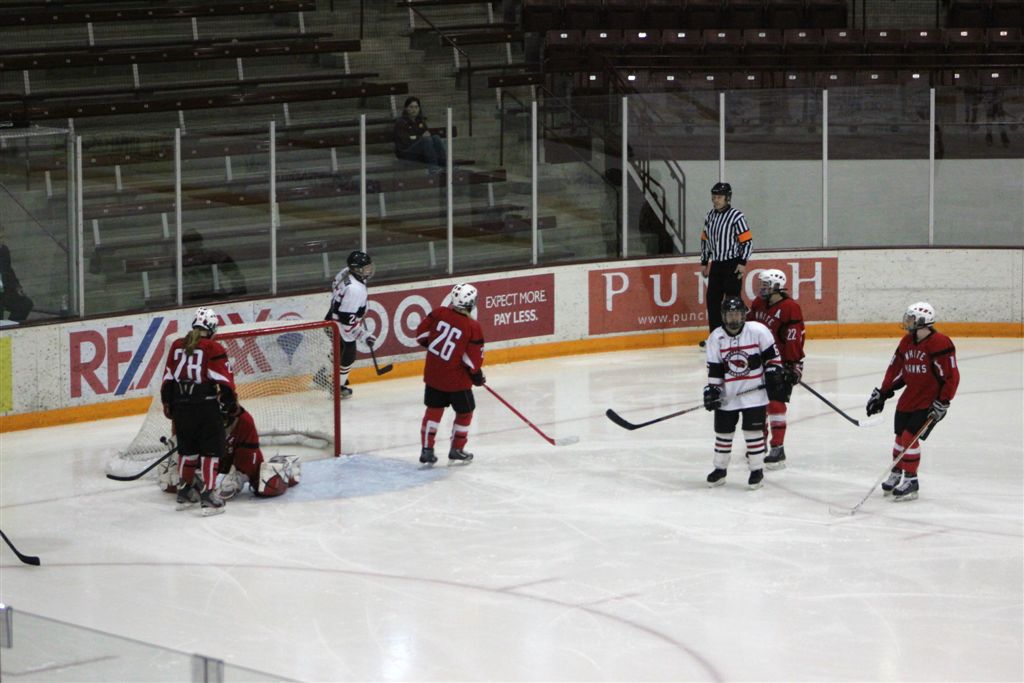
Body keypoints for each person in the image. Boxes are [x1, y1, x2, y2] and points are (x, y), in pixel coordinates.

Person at [865, 302, 960, 502]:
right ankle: (897, 471)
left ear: (922, 321)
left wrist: (944, 401)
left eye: (911, 318)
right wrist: (883, 392)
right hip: (909, 398)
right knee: (900, 436)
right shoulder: (906, 341)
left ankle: (911, 480)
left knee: (910, 436)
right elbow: (895, 369)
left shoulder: (940, 343)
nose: (907, 322)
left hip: (928, 400)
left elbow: (951, 376)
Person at [703, 296, 788, 490]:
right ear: (723, 316)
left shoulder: (758, 331)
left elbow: (773, 359)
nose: (734, 318)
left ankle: (756, 471)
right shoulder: (716, 337)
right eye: (730, 314)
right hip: (728, 396)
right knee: (723, 434)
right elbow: (715, 370)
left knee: (753, 433)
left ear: (743, 315)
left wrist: (772, 371)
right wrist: (713, 391)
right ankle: (720, 470)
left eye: (737, 314)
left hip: (754, 395)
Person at [160, 306, 237, 516]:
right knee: (211, 450)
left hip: (181, 406)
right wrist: (230, 406)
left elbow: (168, 379)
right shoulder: (213, 347)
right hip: (205, 407)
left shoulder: (177, 345)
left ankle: (185, 492)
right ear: (212, 328)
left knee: (187, 450)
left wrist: (168, 404)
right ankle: (209, 496)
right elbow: (225, 382)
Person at [158, 405, 300, 499]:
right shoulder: (195, 417)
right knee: (172, 483)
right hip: (210, 457)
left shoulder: (244, 422)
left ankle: (286, 467)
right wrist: (182, 467)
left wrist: (241, 474)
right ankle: (179, 469)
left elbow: (249, 455)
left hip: (234, 457)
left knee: (266, 485)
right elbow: (183, 442)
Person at [414, 283, 485, 465]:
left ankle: (427, 450)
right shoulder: (472, 326)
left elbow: (420, 336)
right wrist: (477, 375)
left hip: (433, 375)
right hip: (457, 381)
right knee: (465, 412)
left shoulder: (439, 313)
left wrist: (439, 351)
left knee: (433, 411)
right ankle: (457, 449)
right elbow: (473, 361)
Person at [746, 268, 805, 469]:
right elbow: (748, 329)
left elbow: (794, 338)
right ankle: (759, 443)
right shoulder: (758, 303)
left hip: (782, 363)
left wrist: (792, 365)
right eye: (761, 284)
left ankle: (778, 448)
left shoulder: (790, 308)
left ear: (776, 286)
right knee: (757, 404)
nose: (761, 288)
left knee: (775, 403)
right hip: (758, 362)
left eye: (765, 285)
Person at [699, 182, 752, 348]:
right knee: (712, 301)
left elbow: (747, 241)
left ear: (727, 198)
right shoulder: (710, 216)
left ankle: (736, 336)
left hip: (732, 264)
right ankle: (715, 337)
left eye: (719, 197)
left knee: (732, 302)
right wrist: (704, 262)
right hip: (716, 265)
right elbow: (705, 240)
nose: (715, 200)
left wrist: (742, 262)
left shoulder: (737, 216)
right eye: (714, 197)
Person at [317, 250, 376, 399]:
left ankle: (322, 375)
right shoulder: (354, 290)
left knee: (339, 350)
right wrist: (363, 335)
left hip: (330, 317)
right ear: (356, 269)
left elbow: (334, 286)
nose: (369, 270)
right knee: (348, 355)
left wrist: (358, 310)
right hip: (339, 324)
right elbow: (346, 320)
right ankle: (338, 387)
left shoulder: (345, 272)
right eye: (365, 268)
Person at [181, 228, 247, 302]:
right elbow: (175, 284)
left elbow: (235, 274)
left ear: (200, 242)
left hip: (216, 297)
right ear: (184, 244)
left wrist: (237, 292)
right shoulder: (180, 262)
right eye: (187, 241)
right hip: (192, 299)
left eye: (195, 240)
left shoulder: (214, 255)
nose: (191, 244)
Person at [393, 96, 448, 175]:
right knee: (426, 140)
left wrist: (424, 137)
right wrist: (421, 138)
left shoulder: (420, 121)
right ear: (406, 108)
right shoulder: (400, 123)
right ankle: (433, 168)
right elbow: (405, 141)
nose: (414, 110)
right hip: (405, 154)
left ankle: (446, 166)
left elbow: (426, 134)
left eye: (416, 107)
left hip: (419, 152)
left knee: (436, 138)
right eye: (411, 107)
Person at [0, 227, 34, 323]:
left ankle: (10, 326)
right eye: (0, 238)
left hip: (4, 290)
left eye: (2, 237)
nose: (2, 241)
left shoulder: (3, 250)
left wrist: (17, 287)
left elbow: (9, 271)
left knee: (25, 304)